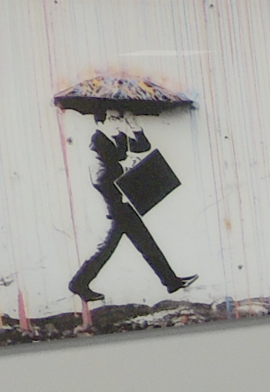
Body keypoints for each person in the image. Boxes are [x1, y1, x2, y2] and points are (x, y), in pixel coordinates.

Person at [70, 125, 194, 303]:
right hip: (118, 214)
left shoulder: (102, 156)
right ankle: (78, 283)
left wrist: (129, 134)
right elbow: (115, 164)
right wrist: (127, 163)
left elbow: (127, 151)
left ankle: (171, 282)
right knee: (108, 250)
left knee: (145, 246)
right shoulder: (102, 168)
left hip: (122, 211)